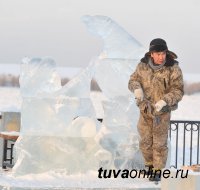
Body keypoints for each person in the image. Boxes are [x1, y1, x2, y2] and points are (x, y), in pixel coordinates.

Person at [128, 38, 184, 181]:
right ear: (151, 54)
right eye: (158, 54)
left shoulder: (173, 68)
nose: (161, 57)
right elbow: (132, 80)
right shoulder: (142, 66)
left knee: (159, 143)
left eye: (163, 53)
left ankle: (158, 172)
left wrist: (165, 100)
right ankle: (150, 167)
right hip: (145, 110)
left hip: (162, 112)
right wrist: (137, 90)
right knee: (145, 142)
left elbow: (178, 91)